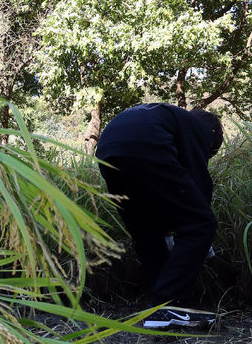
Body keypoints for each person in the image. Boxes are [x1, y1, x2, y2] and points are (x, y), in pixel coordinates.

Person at [95, 102, 223, 329]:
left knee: (146, 229)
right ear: (212, 138)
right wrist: (204, 243)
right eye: (210, 152)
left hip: (108, 149)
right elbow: (198, 187)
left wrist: (173, 228)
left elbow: (166, 197)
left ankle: (159, 310)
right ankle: (170, 305)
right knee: (202, 223)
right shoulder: (202, 129)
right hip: (147, 144)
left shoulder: (169, 117)